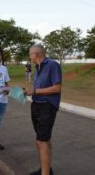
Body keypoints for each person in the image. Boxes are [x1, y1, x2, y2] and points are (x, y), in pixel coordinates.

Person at [24, 44, 62, 175]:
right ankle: (45, 170)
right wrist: (27, 91)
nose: (29, 57)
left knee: (42, 141)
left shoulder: (52, 65)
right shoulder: (37, 67)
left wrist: (36, 90)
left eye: (30, 54)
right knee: (42, 140)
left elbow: (57, 88)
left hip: (47, 106)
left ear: (37, 54)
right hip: (37, 105)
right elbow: (37, 88)